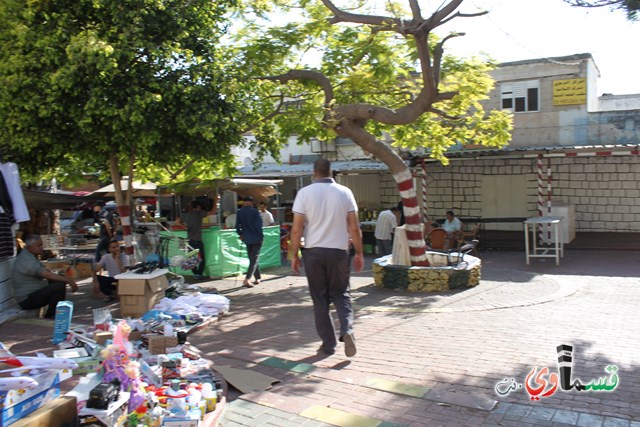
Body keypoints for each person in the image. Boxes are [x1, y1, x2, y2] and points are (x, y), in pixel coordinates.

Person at [290, 158, 363, 357]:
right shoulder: (345, 192)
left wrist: (294, 255)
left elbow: (296, 230)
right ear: (332, 172)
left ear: (314, 173)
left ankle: (328, 345)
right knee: (341, 294)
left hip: (313, 253)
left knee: (320, 299)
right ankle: (347, 330)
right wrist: (359, 252)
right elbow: (354, 228)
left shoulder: (304, 193)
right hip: (339, 252)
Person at [12, 234, 78, 319]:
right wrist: (69, 281)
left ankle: (53, 313)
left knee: (58, 280)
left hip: (33, 295)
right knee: (59, 286)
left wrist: (63, 278)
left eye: (42, 245)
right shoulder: (26, 260)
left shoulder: (29, 255)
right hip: (27, 300)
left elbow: (47, 273)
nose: (42, 247)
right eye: (39, 245)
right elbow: (47, 274)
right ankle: (51, 316)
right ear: (30, 247)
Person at [235, 197, 264, 288]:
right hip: (256, 237)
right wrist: (261, 236)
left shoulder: (240, 212)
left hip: (246, 238)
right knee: (254, 259)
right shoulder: (255, 212)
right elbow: (258, 225)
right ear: (251, 203)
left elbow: (237, 226)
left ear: (244, 203)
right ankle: (247, 279)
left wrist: (241, 234)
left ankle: (258, 277)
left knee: (252, 258)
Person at [181, 200, 211, 279]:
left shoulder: (187, 215)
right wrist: (216, 200)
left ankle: (195, 273)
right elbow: (213, 212)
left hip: (190, 240)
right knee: (201, 258)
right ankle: (199, 274)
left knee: (191, 258)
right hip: (197, 240)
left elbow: (181, 223)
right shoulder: (199, 214)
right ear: (198, 207)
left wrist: (181, 225)